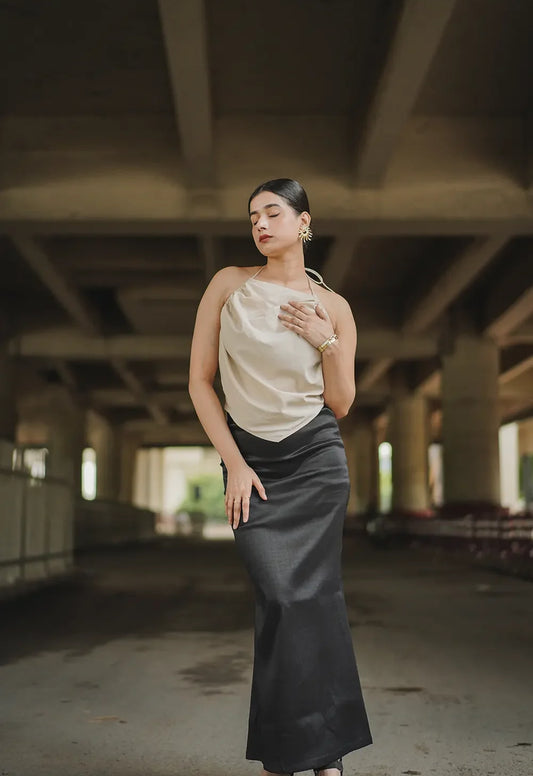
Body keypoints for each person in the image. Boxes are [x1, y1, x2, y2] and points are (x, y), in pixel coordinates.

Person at [188, 178, 373, 776]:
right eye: (252, 217)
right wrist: (234, 463)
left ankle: (314, 756)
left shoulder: (335, 306)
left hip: (316, 459)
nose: (260, 224)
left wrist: (326, 340)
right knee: (281, 598)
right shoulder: (228, 285)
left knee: (313, 601)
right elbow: (200, 381)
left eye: (273, 213)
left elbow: (342, 402)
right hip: (253, 464)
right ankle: (303, 749)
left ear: (304, 223)